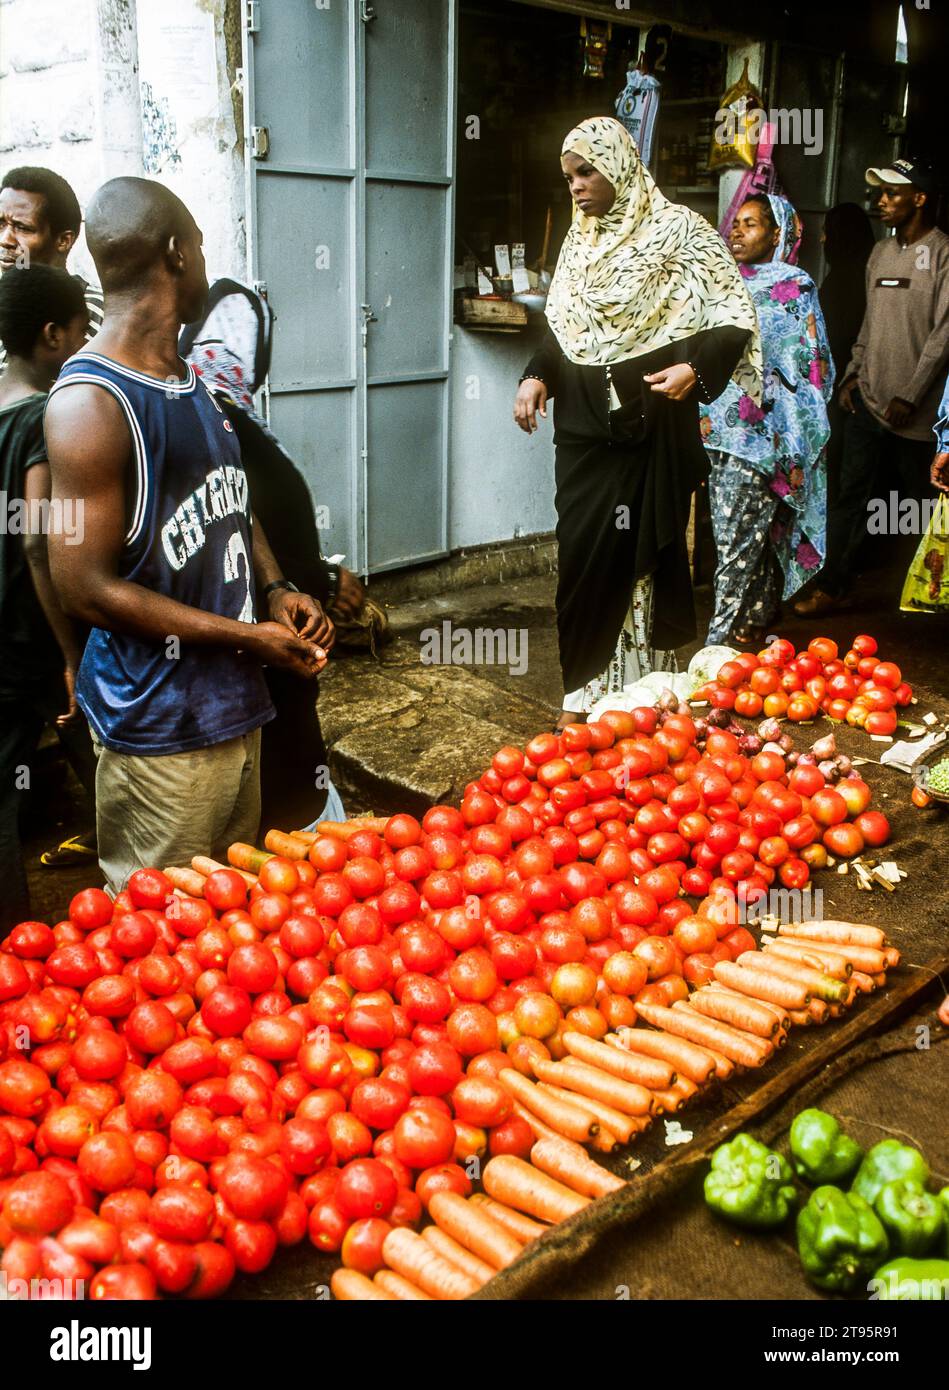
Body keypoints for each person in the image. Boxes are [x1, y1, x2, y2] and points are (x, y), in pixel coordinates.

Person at [44, 177, 332, 894]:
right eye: (200, 247)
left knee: (229, 928)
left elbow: (232, 495)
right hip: (159, 733)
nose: (206, 265)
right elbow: (83, 587)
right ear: (177, 253)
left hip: (234, 709)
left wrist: (275, 586)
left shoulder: (189, 377)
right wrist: (247, 638)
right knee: (156, 942)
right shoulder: (91, 402)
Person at [513, 116, 759, 726]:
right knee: (582, 561)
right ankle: (582, 694)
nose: (576, 186)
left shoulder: (679, 233)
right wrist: (535, 374)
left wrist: (694, 373)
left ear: (619, 165)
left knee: (642, 556)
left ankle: (639, 699)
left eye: (586, 171)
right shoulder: (580, 241)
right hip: (584, 438)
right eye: (568, 176)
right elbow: (564, 330)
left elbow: (732, 315)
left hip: (652, 431)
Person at [181, 278, 361, 830]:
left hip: (276, 636)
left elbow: (264, 523)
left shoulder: (227, 423)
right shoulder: (213, 427)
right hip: (256, 654)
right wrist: (322, 586)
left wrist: (306, 584)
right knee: (281, 797)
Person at [794, 157, 949, 616]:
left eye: (892, 193)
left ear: (919, 198)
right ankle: (832, 586)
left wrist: (913, 394)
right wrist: (852, 376)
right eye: (879, 192)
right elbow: (869, 324)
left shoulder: (943, 253)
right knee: (849, 498)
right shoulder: (879, 254)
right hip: (869, 402)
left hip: (916, 414)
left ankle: (932, 594)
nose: (881, 201)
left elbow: (944, 333)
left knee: (926, 503)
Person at [700, 194, 834, 647]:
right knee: (742, 532)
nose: (736, 232)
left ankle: (716, 643)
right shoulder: (720, 283)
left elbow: (814, 366)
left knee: (737, 539)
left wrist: (789, 424)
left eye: (751, 224)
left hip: (765, 433)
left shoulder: (794, 287)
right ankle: (753, 622)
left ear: (777, 234)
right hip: (718, 428)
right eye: (735, 223)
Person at [0, 265, 91, 929]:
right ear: (53, 334)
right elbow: (38, 543)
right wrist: (71, 654)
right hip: (28, 633)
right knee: (97, 745)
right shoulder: (41, 415)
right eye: (83, 330)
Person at [0, 167, 104, 367]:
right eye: (0, 224)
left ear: (64, 240)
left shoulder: (99, 315)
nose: (5, 240)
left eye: (23, 228)